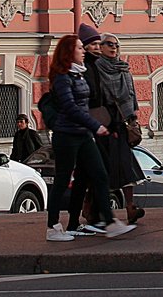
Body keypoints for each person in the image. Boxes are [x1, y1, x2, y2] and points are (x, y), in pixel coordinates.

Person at [42, 34, 133, 241]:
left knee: (101, 174)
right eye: (80, 48)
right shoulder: (62, 77)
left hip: (83, 135)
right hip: (66, 136)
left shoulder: (78, 74)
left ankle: (109, 222)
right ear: (69, 53)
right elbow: (71, 108)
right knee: (63, 180)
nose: (84, 51)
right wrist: (96, 126)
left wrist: (98, 127)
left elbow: (85, 105)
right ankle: (53, 227)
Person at [87, 32, 147, 225]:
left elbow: (131, 96)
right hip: (104, 125)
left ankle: (130, 207)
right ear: (101, 47)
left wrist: (133, 119)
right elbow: (96, 97)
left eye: (116, 45)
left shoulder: (124, 69)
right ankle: (92, 208)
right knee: (104, 169)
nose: (114, 48)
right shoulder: (96, 68)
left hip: (122, 125)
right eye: (109, 44)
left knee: (126, 167)